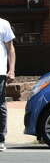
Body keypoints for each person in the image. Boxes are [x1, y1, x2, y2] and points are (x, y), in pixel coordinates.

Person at [0, 14, 15, 152]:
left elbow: (10, 48)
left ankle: (0, 139)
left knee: (0, 104)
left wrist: (11, 70)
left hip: (0, 72)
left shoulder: (4, 24)